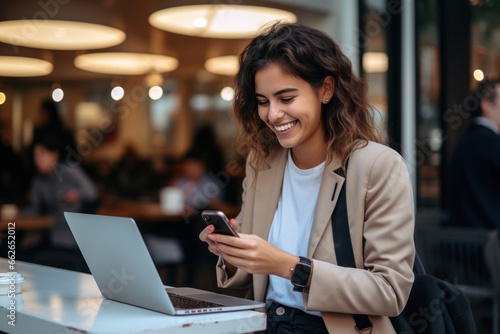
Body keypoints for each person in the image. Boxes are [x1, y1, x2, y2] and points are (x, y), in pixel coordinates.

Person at [199, 23, 415, 333]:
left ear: (325, 90)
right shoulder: (263, 164)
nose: (273, 114)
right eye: (263, 102)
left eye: (286, 99)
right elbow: (252, 275)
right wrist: (232, 253)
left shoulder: (378, 166)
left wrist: (287, 266)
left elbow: (390, 292)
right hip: (265, 323)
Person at [22, 133, 98, 249]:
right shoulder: (38, 180)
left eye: (42, 155)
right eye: (35, 156)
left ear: (54, 155)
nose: (37, 160)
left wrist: (78, 194)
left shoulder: (68, 170)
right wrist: (17, 213)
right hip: (49, 234)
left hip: (73, 237)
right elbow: (34, 209)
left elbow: (92, 192)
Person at [449, 80, 500, 231]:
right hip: (491, 242)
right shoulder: (490, 142)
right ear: (486, 106)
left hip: (465, 242)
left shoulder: (466, 140)